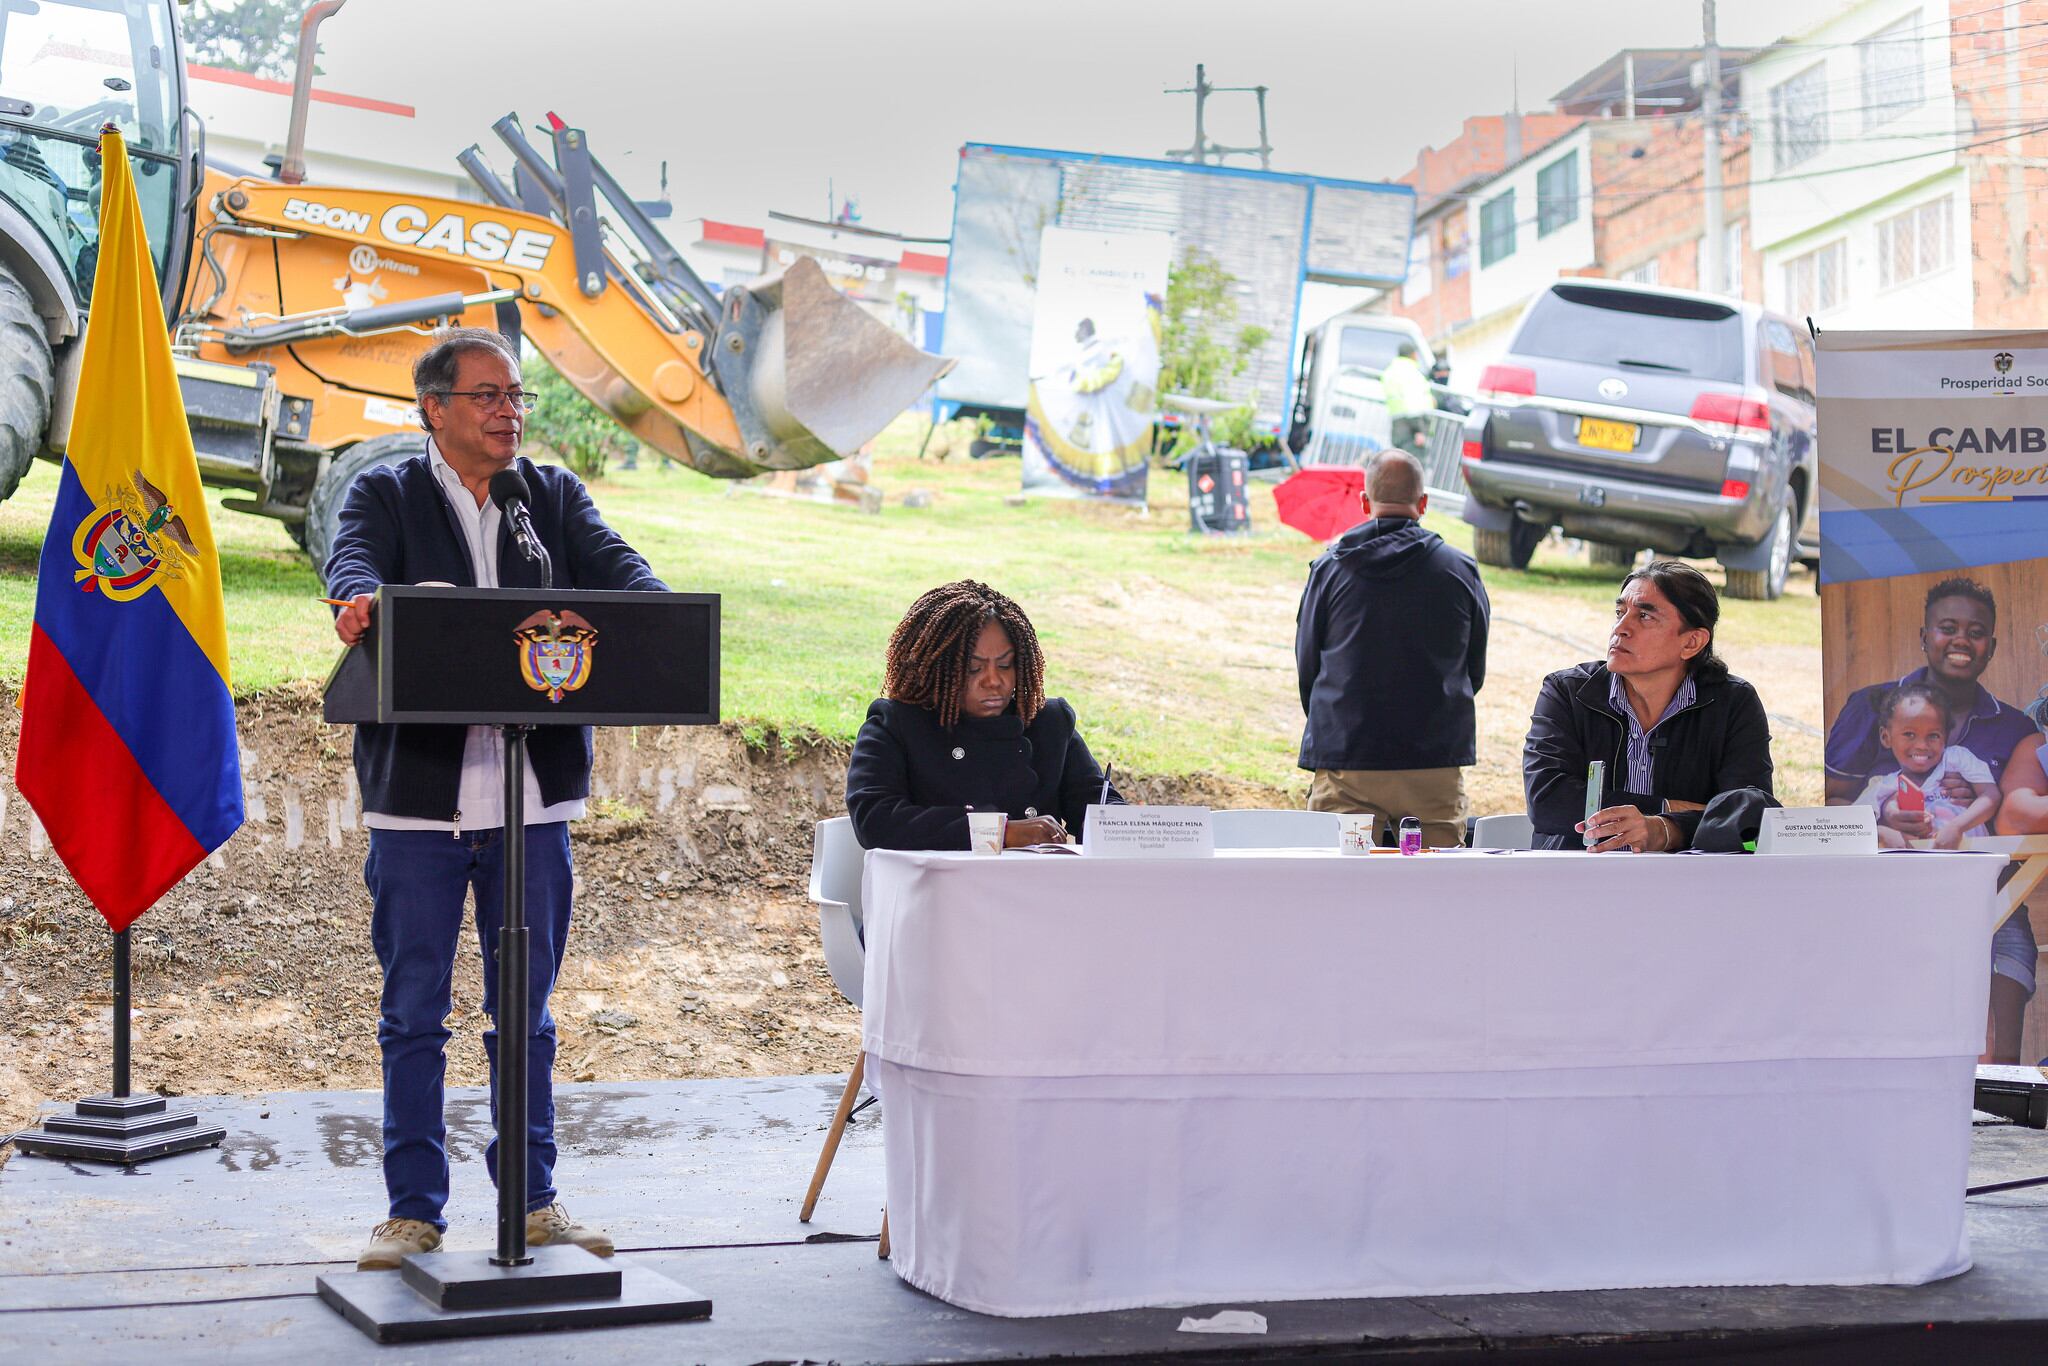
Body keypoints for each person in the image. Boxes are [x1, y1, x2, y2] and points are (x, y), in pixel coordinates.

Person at [325, 327, 667, 1270]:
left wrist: (659, 615)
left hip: (532, 804)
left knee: (527, 1017)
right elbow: (352, 564)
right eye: (487, 396)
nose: (510, 410)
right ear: (434, 407)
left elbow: (618, 566)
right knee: (414, 1015)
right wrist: (357, 600)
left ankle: (533, 1200)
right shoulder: (385, 491)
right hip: (420, 806)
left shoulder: (545, 497)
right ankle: (413, 1211)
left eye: (516, 395)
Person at [1823, 577, 2038, 1060]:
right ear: (1923, 637)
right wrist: (1882, 824)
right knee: (1903, 1057)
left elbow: (2017, 815)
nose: (1961, 639)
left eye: (1976, 631)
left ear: (1992, 647)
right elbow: (1831, 807)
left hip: (1992, 908)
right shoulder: (1868, 706)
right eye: (1947, 627)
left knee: (1993, 1076)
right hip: (1888, 905)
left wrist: (1984, 802)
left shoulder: (2015, 727)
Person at [1294, 450, 1489, 847]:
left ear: (1365, 503)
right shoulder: (1459, 571)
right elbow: (1474, 669)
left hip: (1347, 754)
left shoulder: (1331, 568)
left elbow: (1307, 664)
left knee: (1338, 883)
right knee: (1435, 888)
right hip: (1433, 757)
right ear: (1423, 503)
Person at [846, 581, 1122, 850]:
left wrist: (1129, 829)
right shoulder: (897, 724)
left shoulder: (1049, 723)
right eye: (973, 669)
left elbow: (1099, 809)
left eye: (1005, 664)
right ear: (934, 670)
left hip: (1040, 889)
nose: (993, 680)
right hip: (939, 890)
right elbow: (875, 819)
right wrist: (999, 833)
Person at [1524, 560, 1774, 851]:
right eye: (1620, 612)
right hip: (1576, 879)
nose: (1620, 628)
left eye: (1644, 616)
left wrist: (1666, 829)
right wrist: (1665, 807)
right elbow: (1548, 801)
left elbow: (1750, 819)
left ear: (1692, 642)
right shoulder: (1568, 692)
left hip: (1686, 885)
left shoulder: (1733, 703)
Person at [1853, 684, 1998, 849]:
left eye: (1933, 735)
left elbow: (1990, 796)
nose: (1922, 745)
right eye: (1909, 734)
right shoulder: (1884, 786)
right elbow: (1853, 824)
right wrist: (1885, 825)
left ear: (1946, 736)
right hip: (1920, 868)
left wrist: (1957, 827)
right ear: (1886, 737)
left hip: (1973, 858)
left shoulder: (1956, 759)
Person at [1380, 342, 1435, 454]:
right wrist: (1419, 431)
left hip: (1398, 425)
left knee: (1401, 463)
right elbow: (1412, 403)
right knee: (1414, 466)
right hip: (1412, 429)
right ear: (1413, 355)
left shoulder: (1389, 372)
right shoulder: (1410, 372)